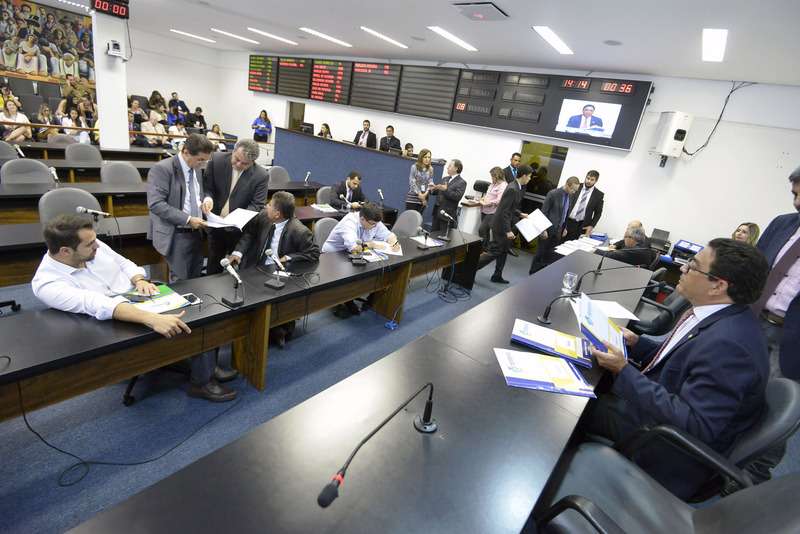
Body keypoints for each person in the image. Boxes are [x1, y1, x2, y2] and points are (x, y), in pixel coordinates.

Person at [584, 238, 770, 500]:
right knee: (591, 380)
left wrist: (624, 371)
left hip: (664, 442)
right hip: (660, 410)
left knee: (576, 405)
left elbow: (695, 424)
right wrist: (637, 344)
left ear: (718, 285)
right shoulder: (719, 315)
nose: (682, 268)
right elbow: (681, 362)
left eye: (693, 266)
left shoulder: (730, 345)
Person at [31, 215, 236, 402]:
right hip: (112, 319)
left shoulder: (92, 245)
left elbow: (125, 264)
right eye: (90, 244)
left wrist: (140, 280)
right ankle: (201, 382)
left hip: (139, 297)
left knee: (200, 308)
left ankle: (205, 367)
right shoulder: (47, 283)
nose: (97, 246)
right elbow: (99, 304)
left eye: (95, 240)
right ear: (66, 251)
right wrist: (152, 318)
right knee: (184, 320)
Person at [228, 191, 321, 348]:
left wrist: (289, 257)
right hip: (259, 266)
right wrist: (238, 252)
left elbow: (314, 253)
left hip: (281, 271)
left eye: (270, 205)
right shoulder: (264, 216)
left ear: (278, 214)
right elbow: (250, 234)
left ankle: (278, 327)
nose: (266, 206)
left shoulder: (299, 231)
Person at [147, 134, 214, 283]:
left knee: (196, 279)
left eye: (206, 160)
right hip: (177, 233)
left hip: (197, 232)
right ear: (186, 152)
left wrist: (205, 201)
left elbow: (194, 194)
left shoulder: (195, 167)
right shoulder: (162, 169)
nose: (203, 164)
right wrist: (188, 219)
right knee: (181, 283)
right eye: (201, 160)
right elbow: (156, 204)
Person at [753, 166, 800, 379]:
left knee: (771, 395)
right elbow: (752, 266)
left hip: (790, 340)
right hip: (753, 320)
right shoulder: (782, 224)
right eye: (795, 194)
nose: (797, 202)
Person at [201, 138, 268, 275]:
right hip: (215, 224)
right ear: (233, 151)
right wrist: (208, 199)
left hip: (239, 231)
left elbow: (256, 205)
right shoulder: (216, 160)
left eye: (245, 164)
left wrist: (234, 221)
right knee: (213, 267)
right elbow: (207, 187)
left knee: (240, 271)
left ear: (253, 162)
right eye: (236, 159)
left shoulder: (261, 175)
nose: (238, 164)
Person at [476, 164, 534, 284]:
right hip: (500, 225)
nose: (530, 179)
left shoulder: (515, 186)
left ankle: (497, 275)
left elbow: (509, 207)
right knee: (496, 251)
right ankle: (471, 268)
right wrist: (508, 230)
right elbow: (504, 211)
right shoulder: (513, 188)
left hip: (501, 223)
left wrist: (520, 214)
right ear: (524, 176)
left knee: (504, 250)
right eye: (529, 176)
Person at [529, 176, 581, 274]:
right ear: (566, 185)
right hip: (547, 229)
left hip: (559, 230)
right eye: (573, 189)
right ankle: (532, 273)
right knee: (540, 254)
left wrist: (565, 227)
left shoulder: (570, 196)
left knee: (549, 254)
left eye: (576, 190)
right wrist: (543, 229)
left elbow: (565, 213)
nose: (574, 191)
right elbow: (544, 212)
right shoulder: (553, 194)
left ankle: (541, 274)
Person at [322, 201, 400, 254]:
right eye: (373, 224)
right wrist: (372, 244)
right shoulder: (349, 222)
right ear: (362, 219)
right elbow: (354, 248)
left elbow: (388, 235)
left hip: (352, 254)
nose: (376, 227)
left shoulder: (373, 221)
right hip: (333, 255)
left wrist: (394, 242)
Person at [565, 170, 604, 241]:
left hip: (580, 225)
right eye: (588, 178)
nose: (589, 181)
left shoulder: (598, 195)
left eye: (592, 180)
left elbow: (598, 213)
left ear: (596, 181)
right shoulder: (576, 187)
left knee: (572, 245)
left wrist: (591, 226)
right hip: (567, 221)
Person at [430, 159, 466, 233]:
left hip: (446, 214)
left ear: (455, 169)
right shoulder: (445, 179)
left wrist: (445, 190)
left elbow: (457, 196)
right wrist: (433, 189)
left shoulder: (461, 182)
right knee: (433, 234)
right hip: (437, 211)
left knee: (442, 236)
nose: (447, 167)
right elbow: (440, 192)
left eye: (449, 166)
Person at [477, 167, 508, 251]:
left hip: (492, 212)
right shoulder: (494, 184)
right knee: (486, 231)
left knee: (482, 230)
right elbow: (488, 195)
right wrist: (480, 199)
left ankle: (482, 249)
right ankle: (485, 249)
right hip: (485, 210)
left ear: (498, 176)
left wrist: (485, 203)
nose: (492, 178)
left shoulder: (503, 185)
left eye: (493, 176)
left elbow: (498, 201)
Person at [406, 149, 433, 213]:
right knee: (410, 217)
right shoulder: (414, 167)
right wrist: (421, 195)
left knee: (418, 217)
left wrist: (425, 195)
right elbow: (412, 183)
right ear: (421, 157)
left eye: (429, 157)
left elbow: (430, 184)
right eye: (425, 157)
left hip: (424, 197)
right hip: (413, 197)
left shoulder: (430, 169)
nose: (427, 159)